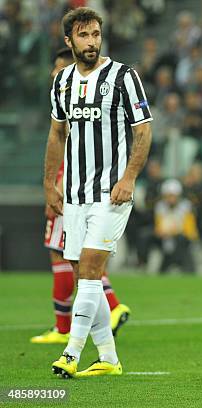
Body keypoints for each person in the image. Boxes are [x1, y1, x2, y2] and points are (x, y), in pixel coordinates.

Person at [44, 7, 152, 378]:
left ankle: (71, 353)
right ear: (69, 40)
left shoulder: (124, 76)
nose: (92, 42)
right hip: (74, 193)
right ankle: (108, 357)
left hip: (111, 193)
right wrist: (49, 185)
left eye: (96, 34)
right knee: (83, 274)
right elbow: (57, 134)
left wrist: (130, 178)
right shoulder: (62, 83)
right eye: (84, 36)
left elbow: (143, 130)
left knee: (90, 268)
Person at [32, 47, 131, 345]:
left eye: (58, 67)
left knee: (71, 258)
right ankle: (105, 342)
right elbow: (58, 140)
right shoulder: (62, 98)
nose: (54, 73)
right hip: (72, 189)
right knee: (80, 262)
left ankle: (69, 335)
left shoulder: (90, 95)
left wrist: (56, 186)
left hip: (81, 191)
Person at [154, 179, 198, 273]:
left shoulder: (186, 206)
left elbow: (190, 230)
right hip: (164, 236)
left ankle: (181, 266)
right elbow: (158, 226)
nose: (171, 199)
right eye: (168, 196)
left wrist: (172, 232)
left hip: (182, 237)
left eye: (173, 196)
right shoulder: (160, 206)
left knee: (179, 240)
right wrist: (162, 232)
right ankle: (143, 264)